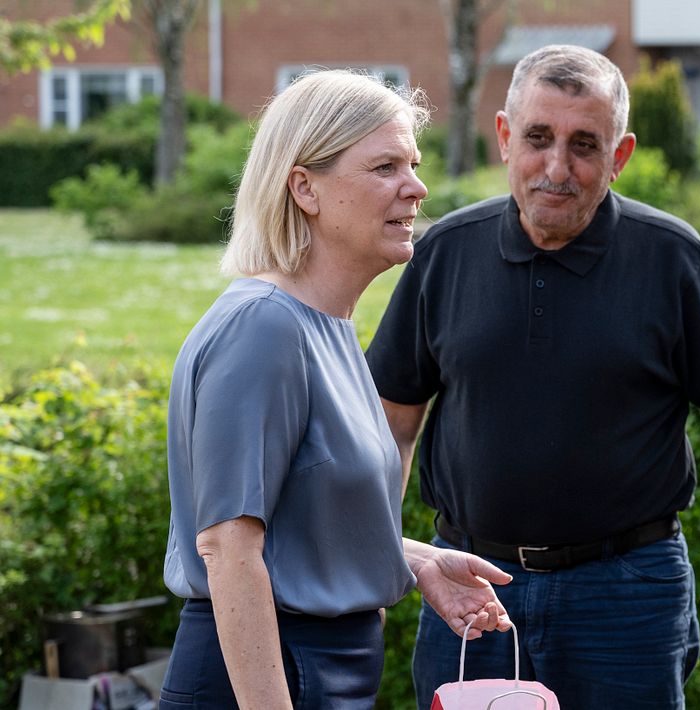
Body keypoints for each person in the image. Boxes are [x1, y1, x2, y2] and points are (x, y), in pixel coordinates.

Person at [365, 45, 700, 710]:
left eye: (585, 145)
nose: (557, 168)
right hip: (472, 587)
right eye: (538, 138)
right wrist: (378, 566)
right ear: (505, 137)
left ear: (619, 156)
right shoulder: (445, 254)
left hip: (626, 595)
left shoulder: (673, 260)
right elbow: (391, 427)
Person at [159, 70, 512, 709]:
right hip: (270, 677)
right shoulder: (263, 328)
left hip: (324, 671)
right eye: (384, 167)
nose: (417, 186)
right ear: (305, 189)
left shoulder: (327, 326)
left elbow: (301, 519)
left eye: (413, 163)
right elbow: (228, 545)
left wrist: (415, 560)